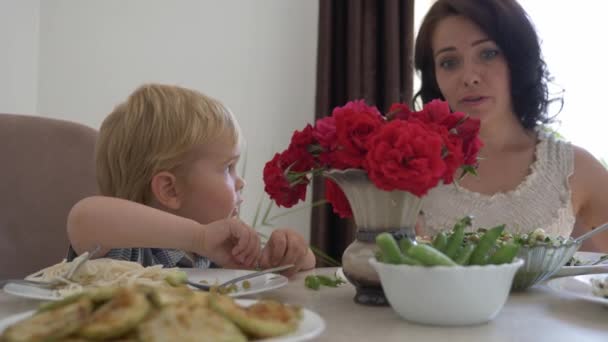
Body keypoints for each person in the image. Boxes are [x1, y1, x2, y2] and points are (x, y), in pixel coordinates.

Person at [413, 0, 608, 251]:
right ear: (434, 76)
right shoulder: (410, 169)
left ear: (517, 59)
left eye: (488, 53)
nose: (470, 77)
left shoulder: (571, 168)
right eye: (449, 62)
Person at [67, 84, 315, 276]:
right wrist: (200, 238)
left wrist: (290, 255)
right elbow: (84, 217)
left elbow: (294, 267)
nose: (241, 182)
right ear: (170, 189)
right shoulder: (124, 250)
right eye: (228, 167)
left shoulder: (224, 248)